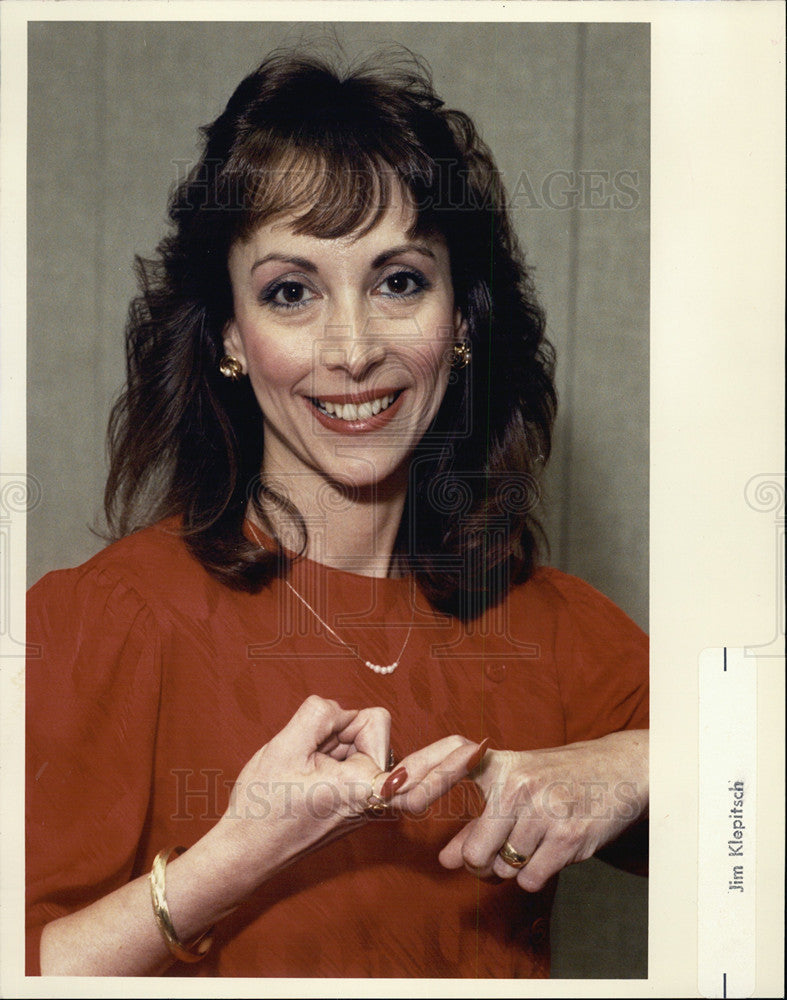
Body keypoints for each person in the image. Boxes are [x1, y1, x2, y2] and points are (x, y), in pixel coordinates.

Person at [26, 49, 648, 978]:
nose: (352, 350)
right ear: (232, 334)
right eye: (291, 292)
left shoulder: (553, 627)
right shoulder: (104, 621)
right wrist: (234, 857)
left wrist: (637, 765)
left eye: (399, 280)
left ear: (462, 318)